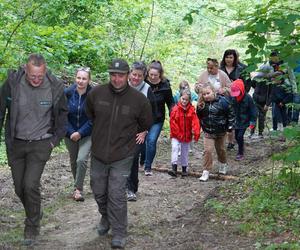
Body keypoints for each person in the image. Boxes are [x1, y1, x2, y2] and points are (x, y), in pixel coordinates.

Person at [0, 54, 68, 245]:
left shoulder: (55, 87)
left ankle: (32, 227)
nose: (37, 80)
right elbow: (1, 110)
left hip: (41, 143)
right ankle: (35, 210)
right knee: (19, 187)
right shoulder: (12, 83)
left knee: (30, 185)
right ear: (25, 70)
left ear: (44, 70)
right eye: (32, 77)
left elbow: (63, 115)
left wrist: (54, 141)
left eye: (40, 76)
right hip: (17, 143)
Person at [85, 58, 152, 249]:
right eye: (113, 75)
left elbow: (146, 122)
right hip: (98, 152)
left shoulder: (139, 100)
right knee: (98, 190)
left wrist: (129, 137)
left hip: (123, 154)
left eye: (120, 75)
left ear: (128, 75)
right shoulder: (96, 93)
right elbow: (90, 113)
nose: (116, 79)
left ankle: (119, 231)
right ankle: (105, 217)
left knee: (116, 193)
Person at [127, 61, 156, 202]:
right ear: (129, 74)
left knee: (132, 157)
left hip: (139, 132)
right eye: (134, 74)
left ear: (144, 76)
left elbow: (153, 113)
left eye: (139, 75)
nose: (136, 78)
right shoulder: (121, 86)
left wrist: (145, 131)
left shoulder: (147, 90)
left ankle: (131, 188)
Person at [64, 67, 93, 202]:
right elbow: (62, 116)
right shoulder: (67, 93)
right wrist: (71, 132)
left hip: (87, 134)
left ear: (89, 80)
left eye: (84, 79)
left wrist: (80, 133)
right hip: (69, 134)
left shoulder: (94, 95)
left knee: (81, 159)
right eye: (79, 78)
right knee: (73, 161)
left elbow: (95, 118)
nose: (81, 81)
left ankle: (78, 189)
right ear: (75, 78)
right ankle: (77, 186)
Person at [196, 83, 234, 182]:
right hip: (208, 131)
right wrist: (201, 126)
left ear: (213, 91)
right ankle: (206, 171)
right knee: (208, 150)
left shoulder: (223, 101)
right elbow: (199, 116)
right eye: (204, 95)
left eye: (208, 93)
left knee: (220, 149)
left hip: (221, 130)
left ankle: (223, 164)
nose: (206, 96)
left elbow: (230, 113)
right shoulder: (201, 104)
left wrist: (230, 125)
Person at [144, 60, 174, 176]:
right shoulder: (143, 83)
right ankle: (142, 160)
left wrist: (173, 114)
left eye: (155, 75)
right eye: (150, 74)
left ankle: (148, 167)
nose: (152, 77)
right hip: (142, 119)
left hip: (157, 118)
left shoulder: (165, 86)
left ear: (160, 75)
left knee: (151, 141)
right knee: (141, 143)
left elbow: (170, 102)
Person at [195, 58, 234, 150]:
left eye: (211, 68)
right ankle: (207, 137)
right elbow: (196, 87)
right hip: (205, 103)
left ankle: (223, 141)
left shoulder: (222, 75)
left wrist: (223, 90)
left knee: (219, 122)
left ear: (217, 67)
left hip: (219, 103)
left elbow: (231, 88)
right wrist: (198, 87)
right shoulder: (204, 75)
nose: (209, 70)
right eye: (208, 68)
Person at [168, 89, 200, 177]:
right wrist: (178, 134)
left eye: (186, 100)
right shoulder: (175, 109)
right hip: (176, 135)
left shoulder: (191, 110)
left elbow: (195, 123)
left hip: (187, 136)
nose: (184, 101)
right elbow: (173, 123)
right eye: (183, 99)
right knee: (175, 148)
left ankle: (184, 169)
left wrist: (196, 134)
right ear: (180, 98)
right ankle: (173, 169)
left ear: (189, 100)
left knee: (184, 152)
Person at [230, 79, 257, 161]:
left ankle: (240, 152)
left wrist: (253, 121)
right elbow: (231, 109)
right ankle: (241, 145)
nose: (236, 95)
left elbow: (253, 110)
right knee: (237, 137)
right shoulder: (233, 98)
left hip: (245, 120)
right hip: (236, 120)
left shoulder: (248, 98)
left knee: (240, 136)